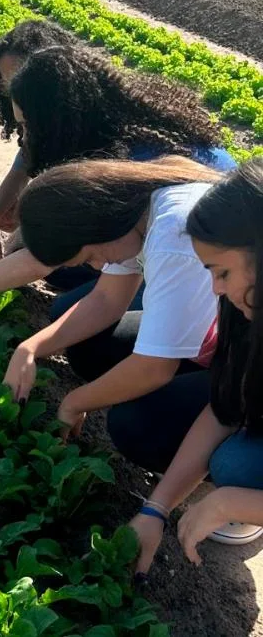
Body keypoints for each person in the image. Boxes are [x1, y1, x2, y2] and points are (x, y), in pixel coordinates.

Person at [0, 45, 237, 311]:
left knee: (71, 315)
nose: (24, 134)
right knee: (50, 250)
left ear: (56, 118)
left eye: (26, 124)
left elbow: (37, 261)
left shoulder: (117, 159)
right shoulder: (109, 121)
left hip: (212, 270)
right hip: (167, 248)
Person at [1, 158, 220, 449]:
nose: (96, 266)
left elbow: (155, 368)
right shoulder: (134, 213)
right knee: (90, 347)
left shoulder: (173, 238)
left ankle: (233, 460)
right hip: (219, 336)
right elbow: (106, 300)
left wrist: (73, 403)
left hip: (247, 361)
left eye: (89, 257)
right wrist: (29, 348)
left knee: (136, 423)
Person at [129, 159, 263, 574]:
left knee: (236, 468)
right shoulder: (246, 314)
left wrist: (231, 501)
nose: (216, 289)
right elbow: (226, 404)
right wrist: (156, 508)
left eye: (222, 272)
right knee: (137, 422)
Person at [0, 19, 78, 267]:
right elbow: (20, 170)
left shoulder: (79, 117)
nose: (16, 91)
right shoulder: (35, 124)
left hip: (108, 228)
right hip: (72, 216)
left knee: (37, 256)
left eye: (20, 78)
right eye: (7, 83)